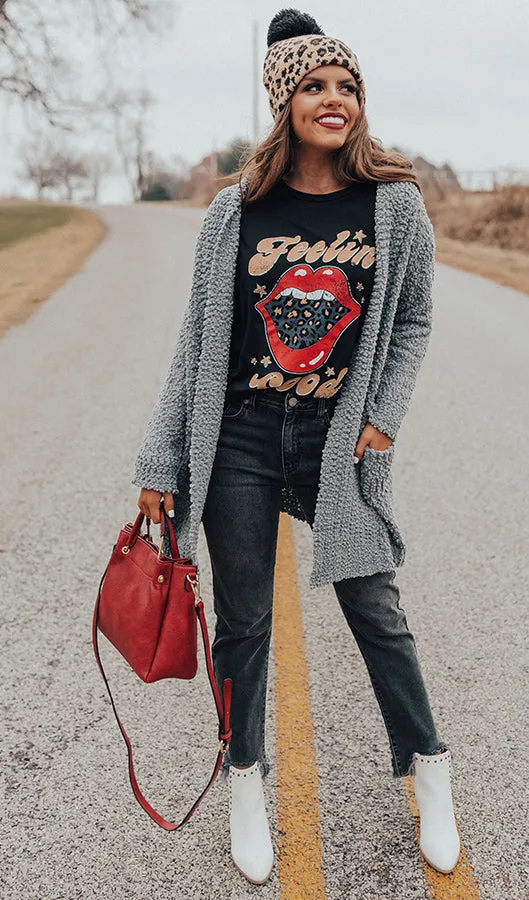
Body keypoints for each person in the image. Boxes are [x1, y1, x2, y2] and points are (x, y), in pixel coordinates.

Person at [133, 7, 461, 886]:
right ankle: (246, 781)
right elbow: (196, 343)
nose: (334, 100)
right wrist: (160, 462)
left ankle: (429, 768)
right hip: (239, 435)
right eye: (314, 86)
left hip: (336, 442)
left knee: (375, 611)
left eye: (347, 86)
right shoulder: (232, 211)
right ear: (284, 103)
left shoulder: (393, 201)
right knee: (245, 626)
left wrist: (381, 417)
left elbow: (415, 319)